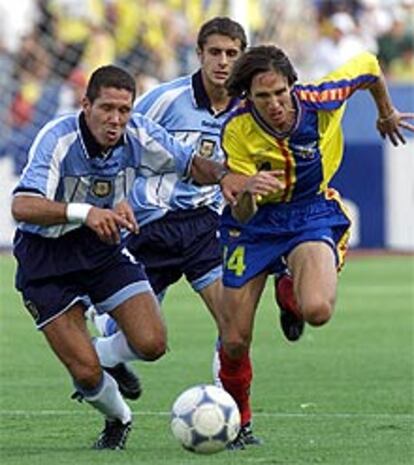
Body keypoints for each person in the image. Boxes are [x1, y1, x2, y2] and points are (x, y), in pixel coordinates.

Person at [11, 64, 242, 451]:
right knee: (85, 374)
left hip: (101, 249)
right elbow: (22, 205)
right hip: (46, 258)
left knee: (152, 343)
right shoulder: (57, 138)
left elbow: (189, 164)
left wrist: (225, 176)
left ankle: (102, 354)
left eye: (124, 110)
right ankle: (119, 418)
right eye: (107, 108)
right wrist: (87, 212)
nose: (116, 119)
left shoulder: (140, 134)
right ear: (86, 105)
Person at [90, 17, 292, 449]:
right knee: (141, 339)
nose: (222, 62)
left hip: (206, 226)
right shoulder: (164, 100)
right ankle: (106, 358)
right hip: (150, 226)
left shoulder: (248, 109)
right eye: (214, 52)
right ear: (199, 54)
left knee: (234, 327)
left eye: (231, 53)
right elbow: (118, 144)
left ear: (242, 57)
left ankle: (239, 422)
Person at [217, 46, 414, 447]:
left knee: (318, 310)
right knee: (235, 341)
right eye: (262, 97)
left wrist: (386, 112)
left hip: (309, 213)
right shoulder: (236, 129)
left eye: (279, 93)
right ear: (247, 97)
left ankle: (289, 288)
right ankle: (241, 421)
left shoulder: (322, 99)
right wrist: (248, 190)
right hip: (255, 226)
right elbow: (239, 213)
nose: (274, 104)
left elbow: (370, 66)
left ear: (292, 84)